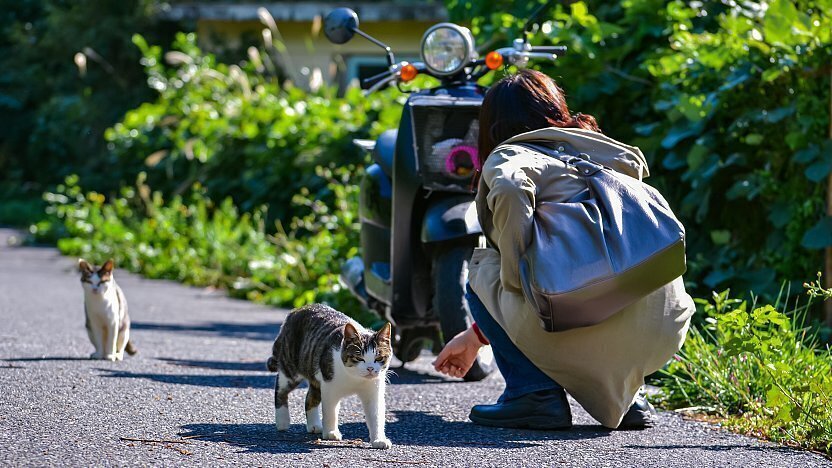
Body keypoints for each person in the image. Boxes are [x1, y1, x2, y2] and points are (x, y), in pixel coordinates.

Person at [433, 69, 695, 430]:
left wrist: (514, 281)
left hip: (572, 318)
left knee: (482, 267)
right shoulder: (599, 148)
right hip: (665, 328)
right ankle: (630, 397)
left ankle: (533, 395)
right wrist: (476, 336)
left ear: (492, 124)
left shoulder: (509, 153)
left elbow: (509, 189)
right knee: (612, 268)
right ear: (555, 107)